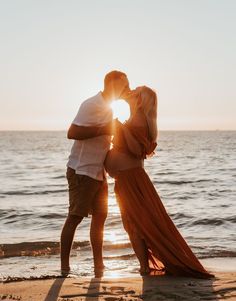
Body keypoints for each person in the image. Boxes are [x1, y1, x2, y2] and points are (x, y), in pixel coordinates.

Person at [104, 86, 215, 278]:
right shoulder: (136, 118)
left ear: (140, 100)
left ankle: (144, 267)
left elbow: (136, 149)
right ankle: (144, 266)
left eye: (135, 91)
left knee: (136, 224)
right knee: (137, 224)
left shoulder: (138, 119)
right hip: (129, 178)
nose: (131, 91)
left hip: (131, 180)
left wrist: (120, 127)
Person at [60, 70, 130, 277]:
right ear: (111, 84)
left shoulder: (109, 108)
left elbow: (105, 140)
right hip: (81, 170)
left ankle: (99, 267)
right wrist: (104, 129)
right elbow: (72, 133)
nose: (126, 88)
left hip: (98, 172)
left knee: (100, 217)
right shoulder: (91, 104)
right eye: (124, 85)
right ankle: (64, 268)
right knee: (75, 217)